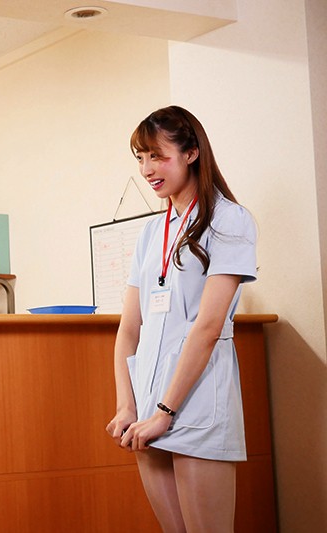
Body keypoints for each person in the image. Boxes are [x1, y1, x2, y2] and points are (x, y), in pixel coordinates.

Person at [105, 106, 257, 532]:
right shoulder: (151, 233)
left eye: (158, 156)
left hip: (194, 403)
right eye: (141, 158)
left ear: (191, 153)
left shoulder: (229, 220)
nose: (147, 169)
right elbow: (129, 330)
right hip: (147, 408)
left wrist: (165, 411)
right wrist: (127, 405)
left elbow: (207, 328)